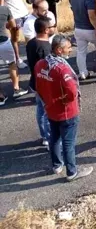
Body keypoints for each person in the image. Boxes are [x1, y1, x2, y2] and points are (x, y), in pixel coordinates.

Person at [35, 35, 93, 181]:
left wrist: (49, 101)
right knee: (68, 142)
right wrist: (65, 101)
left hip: (50, 109)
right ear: (59, 50)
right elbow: (72, 92)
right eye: (68, 48)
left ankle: (57, 166)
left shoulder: (40, 64)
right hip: (66, 112)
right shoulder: (62, 69)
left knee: (54, 137)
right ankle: (72, 172)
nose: (70, 50)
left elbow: (38, 87)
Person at [26, 18, 51, 147]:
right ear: (46, 30)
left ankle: (44, 135)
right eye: (51, 26)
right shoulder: (45, 48)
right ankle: (49, 138)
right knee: (48, 112)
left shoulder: (31, 43)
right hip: (44, 85)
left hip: (34, 82)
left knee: (40, 110)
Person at [0, 0, 30, 69]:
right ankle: (17, 59)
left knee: (29, 36)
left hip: (24, 13)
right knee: (15, 38)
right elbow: (1, 4)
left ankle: (31, 56)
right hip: (14, 16)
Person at [0, 4, 25, 105]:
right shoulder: (4, 9)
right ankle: (16, 89)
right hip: (4, 41)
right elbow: (14, 26)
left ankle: (0, 96)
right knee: (12, 64)